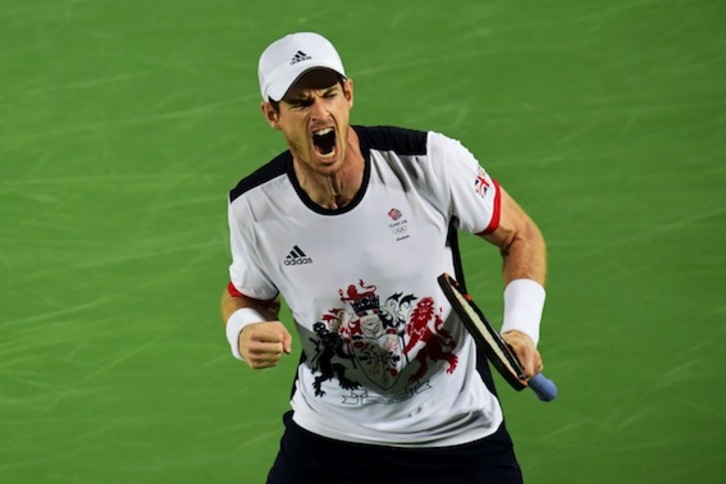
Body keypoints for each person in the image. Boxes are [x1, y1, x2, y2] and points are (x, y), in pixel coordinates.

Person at [221, 31, 548, 484]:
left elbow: (520, 235)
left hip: (455, 432)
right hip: (330, 435)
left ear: (349, 94)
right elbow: (243, 297)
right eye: (299, 103)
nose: (321, 113)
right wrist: (244, 331)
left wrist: (521, 329)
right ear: (271, 115)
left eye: (329, 94)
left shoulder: (428, 162)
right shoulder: (254, 208)